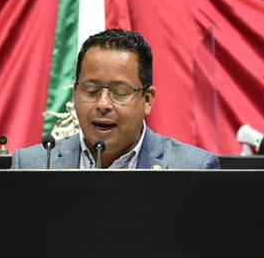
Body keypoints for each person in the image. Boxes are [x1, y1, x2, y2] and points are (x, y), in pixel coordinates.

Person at [13, 29, 219, 170]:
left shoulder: (192, 168)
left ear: (147, 100)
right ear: (75, 94)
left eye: (119, 92)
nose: (103, 104)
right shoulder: (32, 164)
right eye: (91, 90)